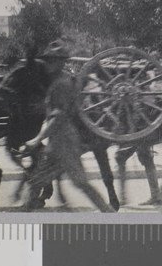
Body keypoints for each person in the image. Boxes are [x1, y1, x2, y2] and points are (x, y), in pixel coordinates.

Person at [21, 40, 114, 212]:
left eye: (52, 60)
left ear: (60, 62)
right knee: (38, 182)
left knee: (79, 183)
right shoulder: (62, 81)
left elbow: (58, 116)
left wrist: (37, 139)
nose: (48, 63)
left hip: (64, 141)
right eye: (48, 59)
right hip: (60, 140)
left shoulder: (61, 84)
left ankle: (109, 215)